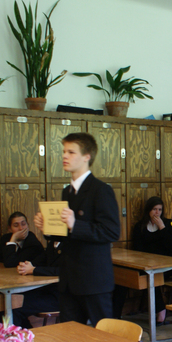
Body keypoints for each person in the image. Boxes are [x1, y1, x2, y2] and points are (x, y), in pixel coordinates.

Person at [34, 132, 121, 326]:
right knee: (71, 336)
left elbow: (112, 231)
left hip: (94, 281)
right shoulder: (68, 191)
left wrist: (76, 224)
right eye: (64, 151)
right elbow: (68, 234)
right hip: (69, 280)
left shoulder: (101, 190)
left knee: (103, 336)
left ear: (86, 157)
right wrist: (48, 228)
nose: (64, 156)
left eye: (71, 152)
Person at [131, 196, 172, 323]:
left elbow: (170, 246)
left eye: (159, 210)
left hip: (164, 266)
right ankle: (115, 314)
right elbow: (137, 249)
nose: (157, 213)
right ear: (148, 210)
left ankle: (161, 311)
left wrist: (162, 228)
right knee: (126, 275)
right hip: (145, 264)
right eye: (154, 209)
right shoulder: (140, 226)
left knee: (152, 277)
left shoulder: (168, 224)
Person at [13, 239, 62, 328]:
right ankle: (26, 333)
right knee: (12, 301)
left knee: (16, 307)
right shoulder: (52, 243)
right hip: (44, 290)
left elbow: (62, 270)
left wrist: (33, 270)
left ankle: (25, 335)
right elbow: (39, 261)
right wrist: (25, 266)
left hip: (60, 296)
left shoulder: (69, 245)